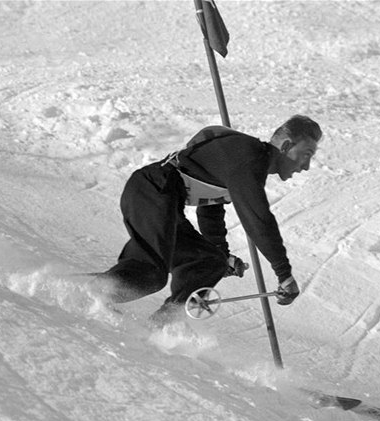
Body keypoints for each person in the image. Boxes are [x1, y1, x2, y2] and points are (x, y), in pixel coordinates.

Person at [101, 115, 322, 326]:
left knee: (210, 262)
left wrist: (222, 255)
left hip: (159, 197)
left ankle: (162, 324)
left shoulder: (243, 162)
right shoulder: (250, 156)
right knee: (150, 274)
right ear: (285, 146)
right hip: (152, 191)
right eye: (307, 154)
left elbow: (210, 210)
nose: (306, 166)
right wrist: (284, 274)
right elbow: (257, 219)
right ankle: (85, 292)